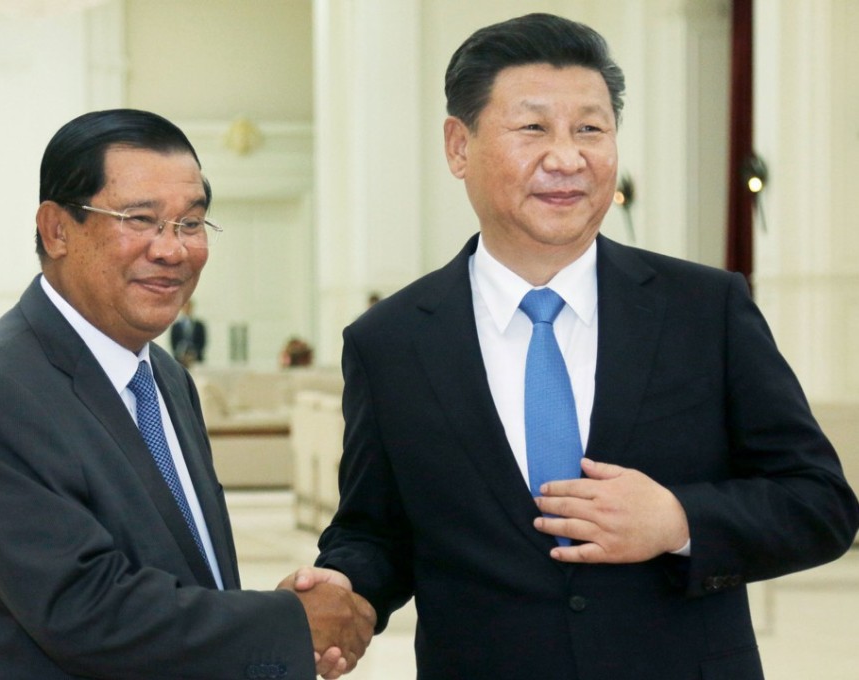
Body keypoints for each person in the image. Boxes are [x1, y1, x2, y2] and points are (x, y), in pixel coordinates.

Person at [290, 13, 859, 679]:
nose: (567, 158)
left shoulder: (706, 310)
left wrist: (678, 519)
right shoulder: (391, 341)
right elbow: (376, 529)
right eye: (533, 128)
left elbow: (821, 503)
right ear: (458, 146)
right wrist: (341, 588)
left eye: (590, 128)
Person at [0, 109, 375, 680]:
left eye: (191, 224)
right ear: (56, 229)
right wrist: (286, 623)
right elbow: (84, 611)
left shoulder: (163, 377)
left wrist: (256, 621)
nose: (172, 250)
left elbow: (186, 573)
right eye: (140, 219)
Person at [169, 298, 207, 366]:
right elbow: (173, 343)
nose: (187, 309)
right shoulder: (176, 326)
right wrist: (180, 355)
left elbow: (202, 342)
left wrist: (194, 354)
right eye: (185, 307)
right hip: (180, 359)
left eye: (189, 307)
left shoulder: (199, 325)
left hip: (196, 359)